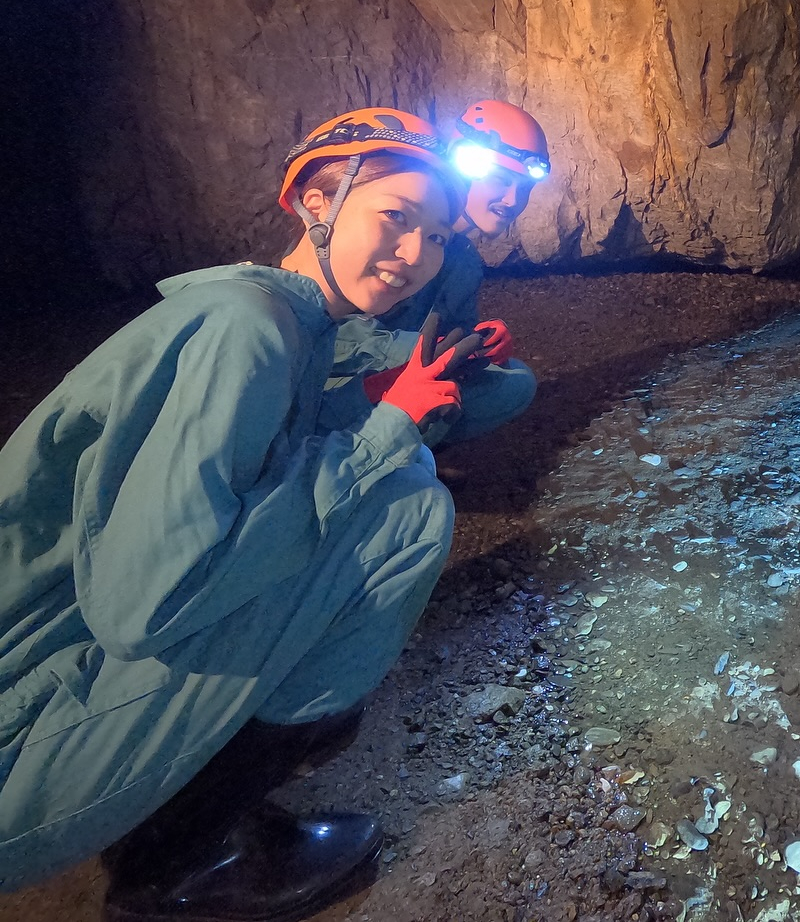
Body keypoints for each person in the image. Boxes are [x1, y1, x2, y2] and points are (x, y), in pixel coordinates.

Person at [0, 108, 489, 921]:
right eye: (395, 219)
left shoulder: (270, 316)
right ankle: (183, 858)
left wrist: (374, 416)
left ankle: (184, 800)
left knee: (392, 473)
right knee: (407, 511)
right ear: (316, 204)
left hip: (35, 672)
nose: (415, 254)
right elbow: (145, 604)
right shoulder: (247, 331)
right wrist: (384, 430)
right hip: (17, 744)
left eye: (437, 235)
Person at [330, 99, 550, 448]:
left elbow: (454, 330)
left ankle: (404, 449)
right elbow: (328, 332)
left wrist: (479, 343)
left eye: (524, 189)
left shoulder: (463, 260)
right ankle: (355, 462)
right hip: (336, 379)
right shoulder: (386, 236)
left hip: (405, 371)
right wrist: (422, 353)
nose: (512, 200)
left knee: (516, 381)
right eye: (500, 180)